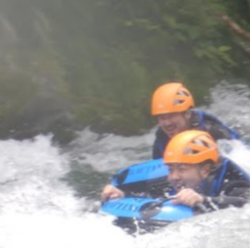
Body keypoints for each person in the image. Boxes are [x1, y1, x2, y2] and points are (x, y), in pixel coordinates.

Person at [101, 82, 241, 201]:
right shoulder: (162, 137)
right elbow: (161, 176)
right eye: (162, 118)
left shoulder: (214, 132)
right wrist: (124, 193)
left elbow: (234, 166)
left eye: (171, 116)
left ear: (187, 113)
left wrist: (203, 199)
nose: (166, 123)